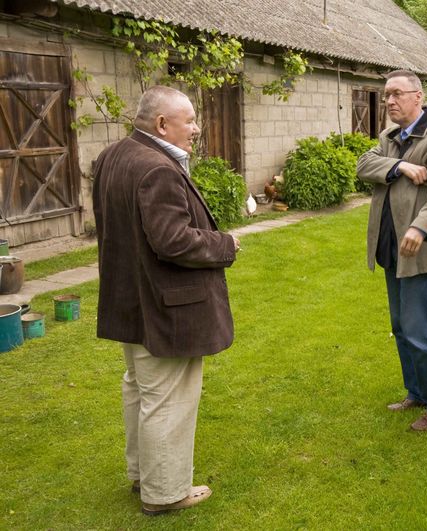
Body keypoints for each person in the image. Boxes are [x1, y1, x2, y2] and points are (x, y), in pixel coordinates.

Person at [93, 85, 241, 516]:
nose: (196, 128)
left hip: (132, 299)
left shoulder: (114, 155)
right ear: (161, 124)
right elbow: (173, 241)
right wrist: (226, 244)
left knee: (141, 390)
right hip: (165, 306)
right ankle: (165, 492)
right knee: (167, 400)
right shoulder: (157, 167)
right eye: (189, 120)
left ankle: (145, 475)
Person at [357, 70, 427, 432]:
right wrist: (400, 165)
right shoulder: (389, 137)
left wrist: (420, 226)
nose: (389, 101)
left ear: (418, 96)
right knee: (401, 327)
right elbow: (363, 165)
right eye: (386, 94)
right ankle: (417, 391)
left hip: (419, 247)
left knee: (420, 330)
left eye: (396, 93)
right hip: (391, 246)